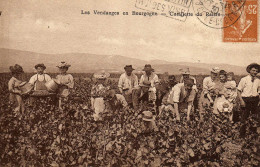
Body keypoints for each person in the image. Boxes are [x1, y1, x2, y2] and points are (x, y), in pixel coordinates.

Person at [237, 63, 260, 137]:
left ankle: (252, 134)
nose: (255, 72)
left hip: (255, 100)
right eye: (253, 70)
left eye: (256, 71)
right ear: (249, 70)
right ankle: (242, 136)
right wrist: (241, 101)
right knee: (244, 117)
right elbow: (238, 91)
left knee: (254, 117)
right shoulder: (244, 79)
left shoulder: (258, 80)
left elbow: (259, 91)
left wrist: (259, 101)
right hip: (246, 100)